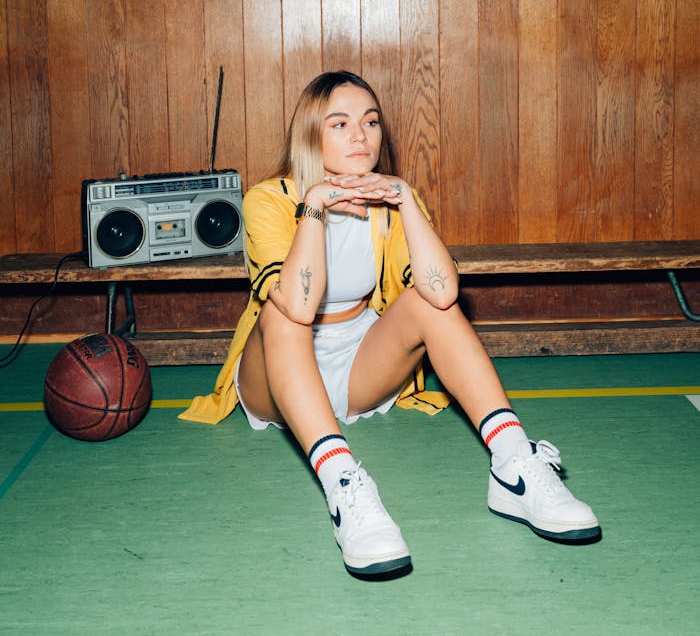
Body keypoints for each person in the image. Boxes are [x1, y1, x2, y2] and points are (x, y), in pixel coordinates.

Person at [181, 70, 600, 577]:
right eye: (340, 123)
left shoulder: (389, 200)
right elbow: (298, 303)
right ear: (310, 133)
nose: (361, 135)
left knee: (429, 303)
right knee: (281, 309)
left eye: (371, 121)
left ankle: (514, 465)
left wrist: (404, 199)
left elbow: (444, 292)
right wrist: (314, 205)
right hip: (277, 369)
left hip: (360, 363)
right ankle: (344, 486)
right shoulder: (268, 200)